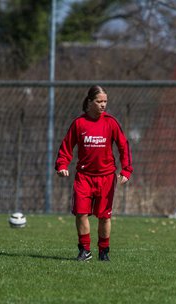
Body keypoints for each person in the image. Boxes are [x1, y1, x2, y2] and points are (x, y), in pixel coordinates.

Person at [55, 85, 133, 261]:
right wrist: (62, 165)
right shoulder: (79, 124)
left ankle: (104, 252)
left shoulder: (111, 123)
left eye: (105, 101)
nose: (103, 105)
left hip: (106, 177)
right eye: (99, 101)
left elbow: (123, 146)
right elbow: (66, 147)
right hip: (84, 177)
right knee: (81, 213)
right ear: (90, 102)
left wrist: (126, 170)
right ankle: (85, 250)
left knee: (104, 217)